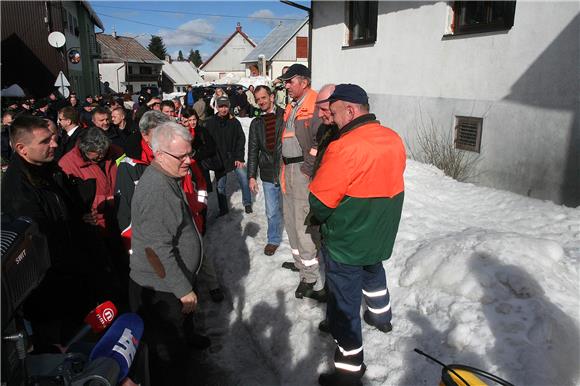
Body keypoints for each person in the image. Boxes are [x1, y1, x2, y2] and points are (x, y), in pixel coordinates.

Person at [308, 84, 406, 386]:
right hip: (380, 233)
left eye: (335, 113)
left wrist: (319, 221)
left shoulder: (344, 146)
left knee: (344, 303)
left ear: (351, 110)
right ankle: (381, 316)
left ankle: (349, 368)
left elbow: (320, 202)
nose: (333, 119)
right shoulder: (393, 138)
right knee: (374, 273)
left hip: (348, 238)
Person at [1, 115, 92, 351]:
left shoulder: (45, 170)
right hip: (50, 293)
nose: (54, 144)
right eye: (44, 141)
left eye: (52, 138)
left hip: (70, 278)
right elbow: (37, 240)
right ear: (22, 148)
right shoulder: (17, 189)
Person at [129, 121, 205, 384]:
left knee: (179, 342)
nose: (187, 161)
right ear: (159, 155)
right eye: (181, 156)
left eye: (189, 153)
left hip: (171, 283)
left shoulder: (168, 176)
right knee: (167, 357)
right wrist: (183, 290)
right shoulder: (157, 189)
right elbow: (155, 250)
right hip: (161, 290)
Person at [278, 63, 325, 301]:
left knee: (303, 225)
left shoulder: (315, 104)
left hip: (302, 172)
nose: (286, 85)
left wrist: (307, 169)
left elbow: (320, 142)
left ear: (304, 81)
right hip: (288, 169)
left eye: (290, 81)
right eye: (285, 82)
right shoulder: (292, 104)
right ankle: (300, 264)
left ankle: (310, 277)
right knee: (290, 221)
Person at [247, 85, 284, 256]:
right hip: (268, 172)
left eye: (263, 97)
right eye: (258, 99)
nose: (261, 101)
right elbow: (253, 151)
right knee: (271, 210)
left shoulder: (285, 116)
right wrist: (252, 176)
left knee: (294, 209)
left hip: (286, 169)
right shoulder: (256, 123)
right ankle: (274, 239)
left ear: (271, 97)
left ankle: (299, 240)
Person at [205, 95, 253, 215]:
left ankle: (247, 203)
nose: (223, 109)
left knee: (244, 179)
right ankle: (223, 209)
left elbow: (240, 140)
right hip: (219, 160)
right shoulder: (210, 123)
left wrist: (239, 157)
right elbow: (206, 141)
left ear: (229, 107)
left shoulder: (234, 122)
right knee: (220, 186)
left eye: (225, 106)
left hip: (233, 157)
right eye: (221, 106)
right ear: (217, 107)